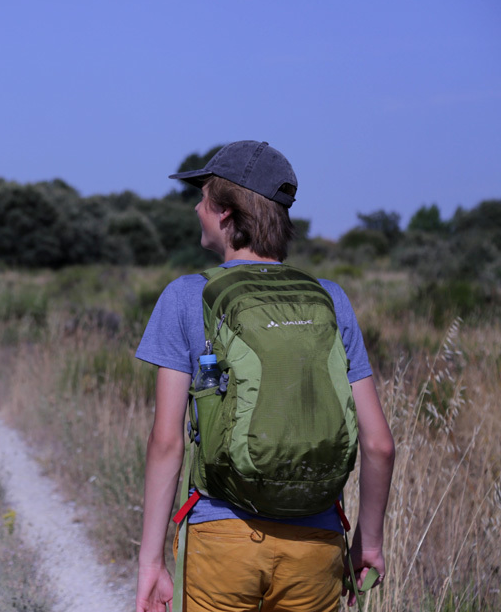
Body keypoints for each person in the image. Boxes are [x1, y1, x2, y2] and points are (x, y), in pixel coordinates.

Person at [134, 141, 395, 612]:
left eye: (204, 199)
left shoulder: (185, 296)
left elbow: (167, 443)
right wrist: (369, 542)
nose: (196, 209)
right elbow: (379, 445)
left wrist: (151, 562)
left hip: (222, 534)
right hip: (317, 540)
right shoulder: (330, 299)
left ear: (228, 216)